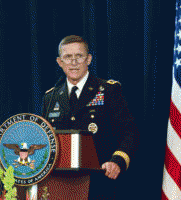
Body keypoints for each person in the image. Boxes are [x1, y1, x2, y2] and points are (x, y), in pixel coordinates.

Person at [41, 35, 138, 199]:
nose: (73, 62)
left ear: (88, 59)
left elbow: (129, 132)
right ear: (59, 62)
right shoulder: (50, 98)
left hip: (100, 183)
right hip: (60, 185)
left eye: (78, 56)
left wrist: (117, 161)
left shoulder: (108, 91)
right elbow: (44, 138)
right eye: (68, 57)